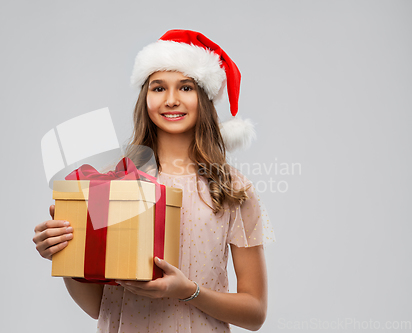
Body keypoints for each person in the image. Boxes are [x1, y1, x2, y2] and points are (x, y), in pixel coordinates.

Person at [33, 29, 275, 332]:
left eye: (185, 88)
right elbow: (97, 306)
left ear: (204, 98)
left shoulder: (232, 190)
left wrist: (187, 291)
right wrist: (65, 253)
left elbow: (254, 313)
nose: (171, 100)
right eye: (158, 88)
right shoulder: (111, 181)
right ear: (145, 98)